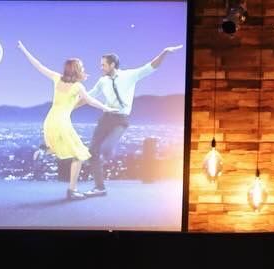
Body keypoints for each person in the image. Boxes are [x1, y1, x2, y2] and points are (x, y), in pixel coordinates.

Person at [16, 41, 117, 200]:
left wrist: (24, 50)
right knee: (79, 155)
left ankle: (43, 149)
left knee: (58, 148)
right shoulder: (77, 87)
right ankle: (72, 191)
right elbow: (91, 101)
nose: (84, 70)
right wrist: (107, 108)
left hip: (49, 120)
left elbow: (39, 65)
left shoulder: (57, 78)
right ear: (77, 70)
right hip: (63, 123)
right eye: (82, 68)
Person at [83, 45, 183, 197]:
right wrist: (69, 104)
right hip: (106, 117)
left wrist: (164, 52)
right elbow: (89, 96)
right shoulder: (102, 81)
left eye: (103, 64)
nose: (101, 67)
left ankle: (105, 158)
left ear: (112, 65)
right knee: (93, 150)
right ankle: (99, 187)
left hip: (120, 119)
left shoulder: (129, 75)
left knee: (106, 149)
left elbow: (150, 67)